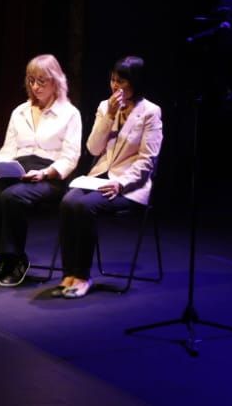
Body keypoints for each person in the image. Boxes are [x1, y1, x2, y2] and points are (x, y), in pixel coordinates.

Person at [54, 56, 164, 298]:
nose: (115, 86)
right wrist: (109, 116)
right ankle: (68, 273)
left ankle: (82, 276)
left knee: (84, 206)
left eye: (121, 81)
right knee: (68, 202)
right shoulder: (105, 106)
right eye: (113, 80)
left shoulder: (150, 112)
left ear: (135, 83)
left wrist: (120, 184)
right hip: (100, 177)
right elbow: (93, 149)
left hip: (130, 185)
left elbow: (147, 160)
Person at [0, 54, 81, 288]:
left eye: (41, 81)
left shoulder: (69, 113)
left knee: (12, 197)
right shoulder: (20, 111)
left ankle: (16, 259)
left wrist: (46, 173)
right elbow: (8, 149)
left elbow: (70, 157)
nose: (35, 87)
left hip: (49, 175)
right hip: (19, 169)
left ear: (56, 81)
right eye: (31, 81)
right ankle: (3, 258)